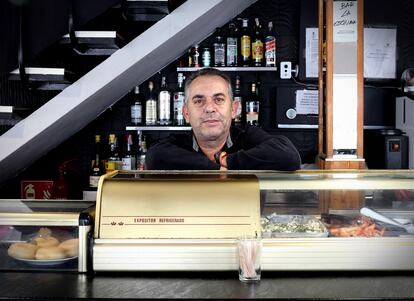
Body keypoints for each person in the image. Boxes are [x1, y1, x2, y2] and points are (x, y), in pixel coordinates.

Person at [145, 68, 301, 171]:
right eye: (199, 101)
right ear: (186, 113)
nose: (209, 108)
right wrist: (214, 168)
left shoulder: (247, 136)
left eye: (218, 99)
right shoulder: (176, 144)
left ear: (234, 109)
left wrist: (229, 162)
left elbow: (289, 156)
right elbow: (154, 157)